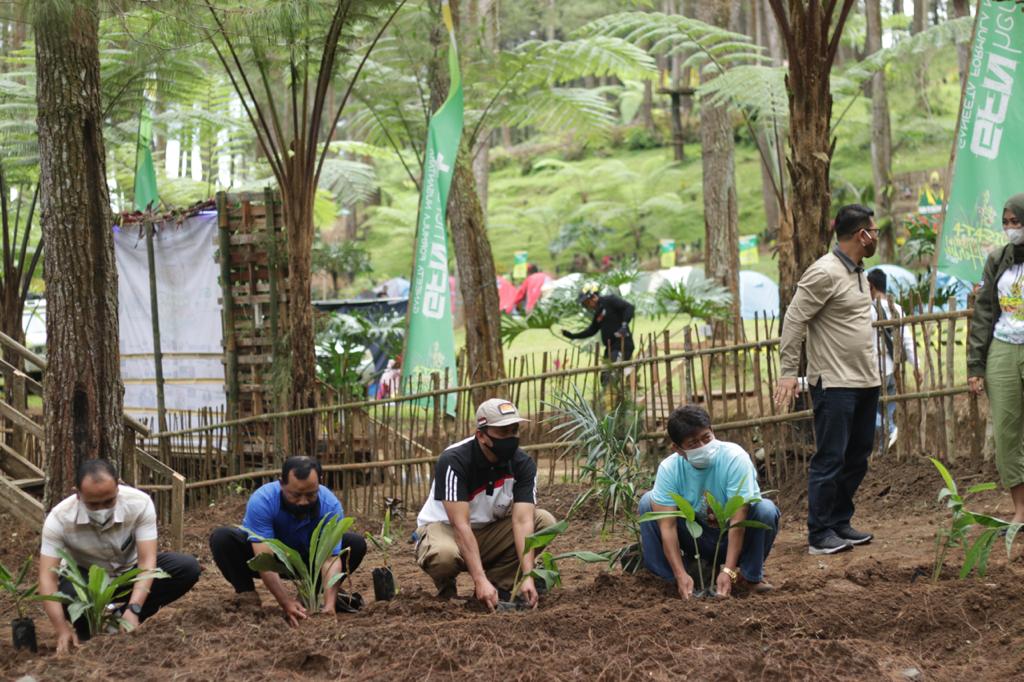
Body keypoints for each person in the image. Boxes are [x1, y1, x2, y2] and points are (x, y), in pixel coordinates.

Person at [774, 204, 880, 555]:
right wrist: (789, 372)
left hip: (866, 379)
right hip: (835, 383)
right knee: (831, 457)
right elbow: (794, 320)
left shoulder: (859, 273)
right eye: (874, 231)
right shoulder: (824, 272)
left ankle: (839, 521)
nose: (877, 236)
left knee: (858, 456)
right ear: (861, 235)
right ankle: (819, 533)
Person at [38, 459, 200, 654]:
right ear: (78, 495)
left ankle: (119, 620)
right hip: (87, 580)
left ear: (119, 487)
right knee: (70, 594)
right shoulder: (59, 519)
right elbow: (48, 578)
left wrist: (133, 610)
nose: (102, 510)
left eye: (108, 501)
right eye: (93, 504)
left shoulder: (139, 504)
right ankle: (87, 631)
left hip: (129, 572)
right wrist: (61, 630)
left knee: (186, 568)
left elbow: (147, 561)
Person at [415, 399, 555, 610]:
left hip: (488, 531)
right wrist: (478, 579)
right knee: (444, 556)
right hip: (445, 529)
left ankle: (499, 585)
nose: (510, 438)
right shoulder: (454, 460)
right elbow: (460, 526)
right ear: (481, 435)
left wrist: (528, 575)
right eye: (502, 432)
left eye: (514, 430)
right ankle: (448, 587)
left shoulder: (522, 464)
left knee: (544, 522)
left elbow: (523, 520)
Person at [638, 406, 780, 599]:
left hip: (732, 535)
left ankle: (750, 578)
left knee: (765, 509)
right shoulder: (670, 469)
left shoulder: (734, 458)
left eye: (706, 438)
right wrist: (680, 574)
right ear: (677, 449)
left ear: (713, 431)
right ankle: (668, 582)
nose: (703, 446)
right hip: (696, 538)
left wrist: (729, 571)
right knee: (648, 503)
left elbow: (739, 521)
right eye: (693, 443)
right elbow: (668, 528)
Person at [209, 456, 366, 625]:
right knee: (222, 538)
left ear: (320, 482)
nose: (303, 502)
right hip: (270, 559)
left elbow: (330, 560)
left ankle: (309, 597)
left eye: (311, 495)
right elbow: (264, 560)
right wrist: (285, 602)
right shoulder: (263, 500)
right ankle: (247, 598)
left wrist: (329, 606)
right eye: (296, 495)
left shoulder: (331, 505)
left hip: (309, 563)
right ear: (281, 483)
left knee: (354, 544)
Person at [968, 193, 1024, 525]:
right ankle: (1021, 507)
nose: (1010, 228)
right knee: (1006, 433)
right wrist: (976, 365)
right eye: (1005, 223)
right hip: (1003, 348)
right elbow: (985, 311)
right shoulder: (998, 259)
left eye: (1016, 221)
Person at [866, 268, 921, 449]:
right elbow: (907, 341)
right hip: (891, 369)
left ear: (871, 286)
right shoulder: (897, 309)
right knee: (886, 410)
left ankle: (889, 430)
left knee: (865, 408)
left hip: (872, 369)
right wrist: (917, 366)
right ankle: (884, 447)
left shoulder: (867, 311)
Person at [562, 283, 635, 361]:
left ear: (593, 297)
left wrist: (624, 325)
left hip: (622, 346)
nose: (587, 306)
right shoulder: (598, 313)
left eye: (587, 303)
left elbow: (629, 307)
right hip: (611, 348)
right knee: (605, 372)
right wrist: (572, 336)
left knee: (612, 371)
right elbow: (591, 331)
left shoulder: (609, 300)